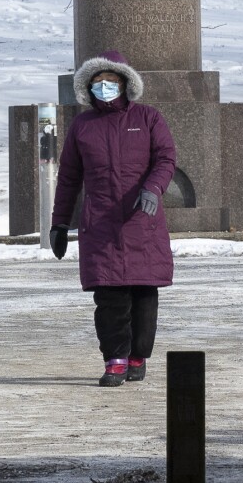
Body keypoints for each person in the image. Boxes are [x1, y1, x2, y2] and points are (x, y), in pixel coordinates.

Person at [50, 49, 178, 386]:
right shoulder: (82, 126)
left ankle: (138, 356)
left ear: (124, 83)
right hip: (101, 225)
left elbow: (166, 158)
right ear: (88, 87)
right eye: (97, 81)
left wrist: (153, 188)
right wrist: (60, 222)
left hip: (141, 221)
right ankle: (115, 360)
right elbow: (69, 178)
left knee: (143, 295)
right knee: (109, 297)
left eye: (110, 80)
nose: (104, 87)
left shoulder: (148, 118)